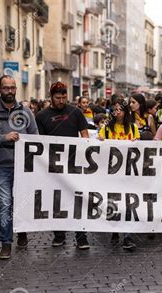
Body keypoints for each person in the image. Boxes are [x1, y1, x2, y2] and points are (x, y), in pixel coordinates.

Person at [0, 75, 38, 260]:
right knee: (5, 205)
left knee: (21, 204)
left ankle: (22, 233)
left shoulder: (25, 111)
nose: (10, 91)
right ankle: (6, 243)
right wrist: (3, 138)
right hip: (2, 166)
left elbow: (35, 137)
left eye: (12, 88)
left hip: (23, 168)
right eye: (6, 88)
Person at [36, 81, 91, 249]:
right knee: (56, 200)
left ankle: (81, 236)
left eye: (64, 97)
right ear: (51, 97)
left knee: (77, 199)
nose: (61, 101)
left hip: (75, 164)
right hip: (53, 165)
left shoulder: (76, 112)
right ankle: (59, 235)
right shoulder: (41, 116)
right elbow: (40, 141)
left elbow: (85, 134)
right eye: (58, 97)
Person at [98, 99, 139, 251]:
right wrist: (100, 141)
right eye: (114, 109)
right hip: (112, 172)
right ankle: (114, 229)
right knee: (114, 201)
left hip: (129, 172)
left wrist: (137, 142)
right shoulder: (107, 128)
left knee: (128, 203)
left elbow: (140, 150)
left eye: (120, 109)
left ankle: (128, 237)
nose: (117, 112)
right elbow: (98, 146)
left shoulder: (133, 128)